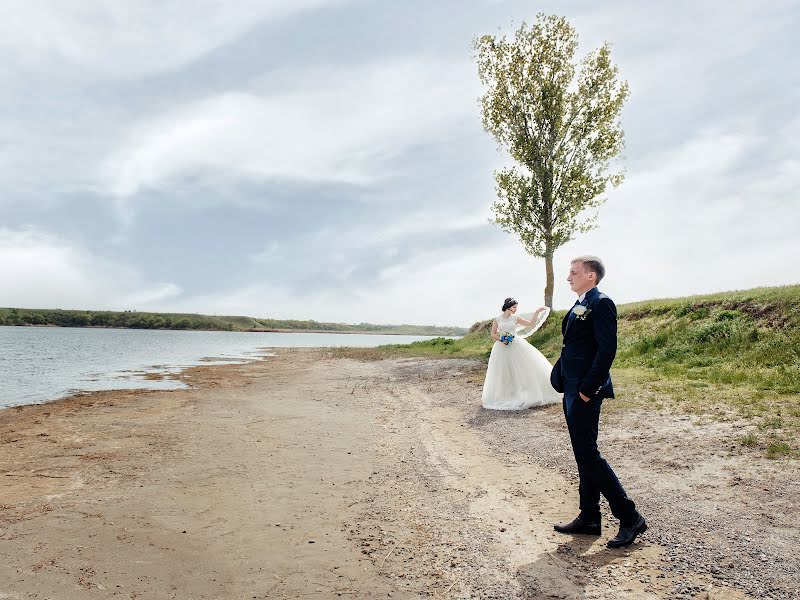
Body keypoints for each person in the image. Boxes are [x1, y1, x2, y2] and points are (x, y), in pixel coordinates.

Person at [550, 256, 647, 548]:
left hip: (584, 391)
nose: (568, 277)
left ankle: (630, 517)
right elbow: (575, 345)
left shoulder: (601, 303)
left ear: (591, 276)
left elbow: (606, 350)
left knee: (589, 454)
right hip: (570, 388)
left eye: (573, 272)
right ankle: (590, 516)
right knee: (583, 455)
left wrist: (587, 389)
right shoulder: (581, 302)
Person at [481, 297, 561, 410]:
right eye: (514, 307)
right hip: (501, 347)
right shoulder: (497, 319)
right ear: (508, 307)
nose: (516, 309)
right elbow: (493, 333)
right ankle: (506, 395)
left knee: (522, 369)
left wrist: (537, 312)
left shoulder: (516, 318)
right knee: (503, 371)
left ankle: (525, 394)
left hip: (516, 344)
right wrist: (501, 340)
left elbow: (530, 324)